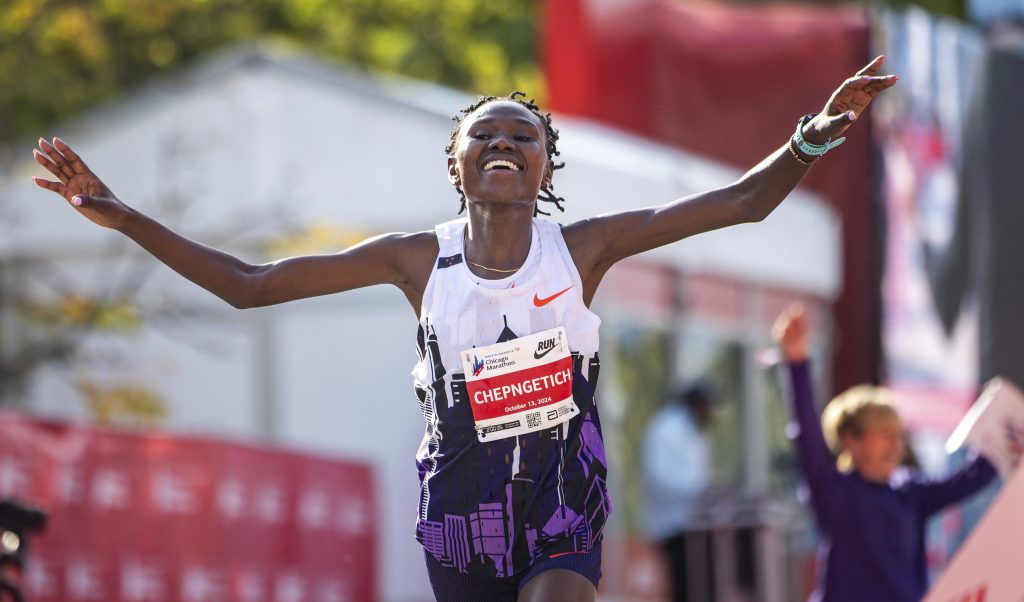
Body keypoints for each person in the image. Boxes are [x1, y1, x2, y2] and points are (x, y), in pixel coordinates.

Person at [30, 57, 895, 602]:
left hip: (562, 505)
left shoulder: (583, 248)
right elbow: (252, 285)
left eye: (524, 135)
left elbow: (742, 204)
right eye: (485, 135)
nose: (505, 143)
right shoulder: (417, 260)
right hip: (459, 515)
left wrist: (815, 135)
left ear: (547, 165)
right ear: (457, 163)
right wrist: (122, 217)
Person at [771, 304, 998, 602]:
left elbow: (975, 476)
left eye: (898, 435)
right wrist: (797, 362)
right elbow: (806, 434)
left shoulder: (910, 491)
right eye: (884, 435)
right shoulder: (834, 493)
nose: (895, 444)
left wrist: (1002, 423)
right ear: (852, 440)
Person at [642, 383, 716, 602]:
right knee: (685, 589)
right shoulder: (667, 429)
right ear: (696, 405)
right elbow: (661, 478)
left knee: (697, 589)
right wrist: (700, 490)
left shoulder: (693, 432)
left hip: (694, 526)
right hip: (675, 527)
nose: (710, 413)